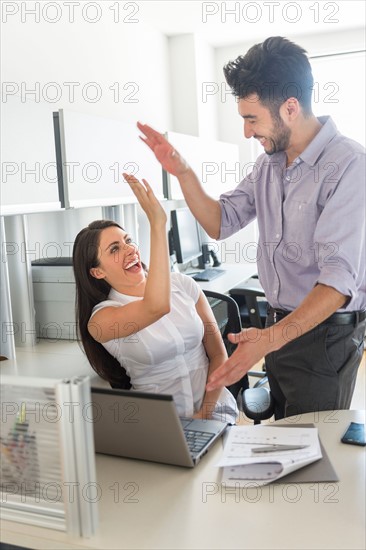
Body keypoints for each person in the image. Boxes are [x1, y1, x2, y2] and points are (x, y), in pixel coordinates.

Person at [137, 36, 366, 419]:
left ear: (290, 108)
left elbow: (336, 285)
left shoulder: (350, 165)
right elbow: (220, 222)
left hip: (324, 336)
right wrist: (183, 171)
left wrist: (264, 343)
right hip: (278, 327)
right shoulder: (269, 166)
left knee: (313, 451)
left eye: (252, 119)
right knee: (286, 441)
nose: (247, 132)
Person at [72, 173, 238, 424]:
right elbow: (157, 306)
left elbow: (218, 354)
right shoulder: (103, 319)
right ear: (97, 272)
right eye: (114, 249)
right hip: (160, 425)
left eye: (127, 241)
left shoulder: (183, 284)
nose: (129, 249)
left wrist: (204, 413)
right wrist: (157, 224)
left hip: (214, 409)